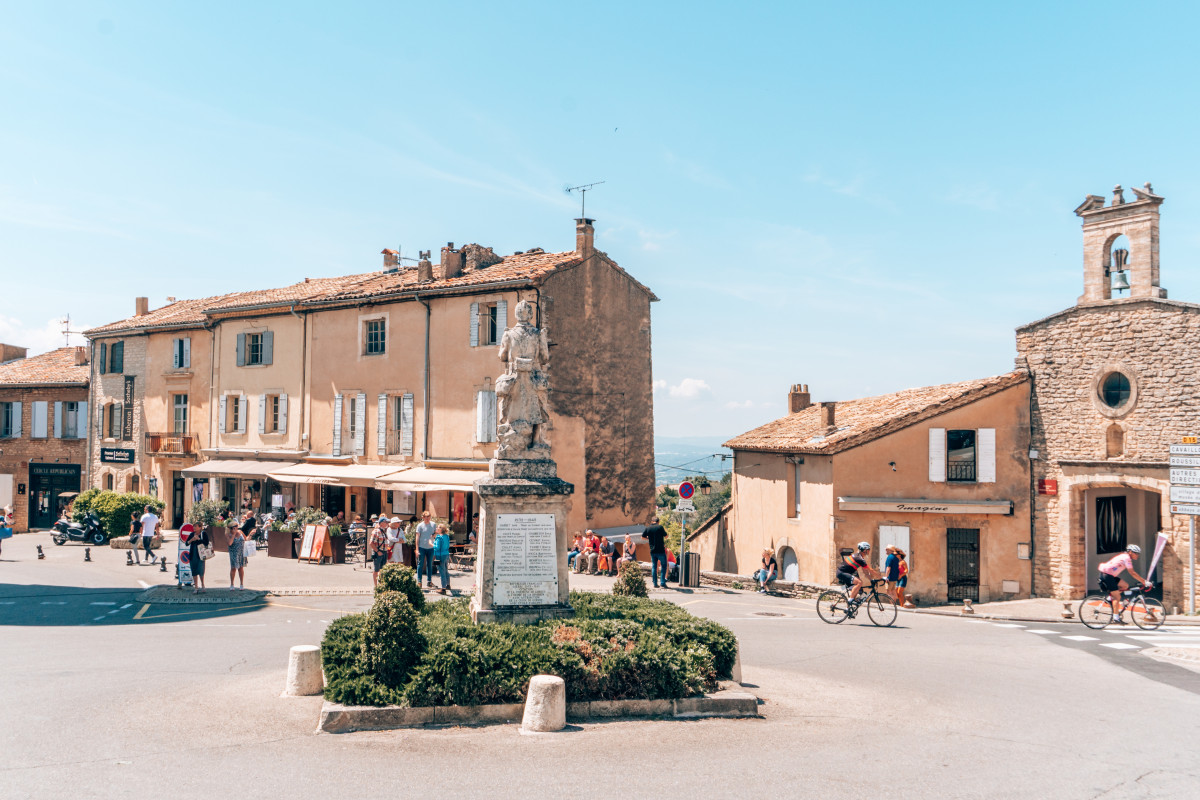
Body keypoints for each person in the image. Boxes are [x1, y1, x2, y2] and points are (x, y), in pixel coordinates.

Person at [1098, 545, 1151, 624]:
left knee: (1125, 585)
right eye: (1136, 553)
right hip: (1107, 576)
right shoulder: (1126, 558)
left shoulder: (1125, 556)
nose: (1137, 555)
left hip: (1109, 575)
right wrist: (1144, 582)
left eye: (1138, 553)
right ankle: (1116, 618)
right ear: (1130, 552)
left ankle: (1109, 599)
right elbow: (1132, 573)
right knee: (1117, 597)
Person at [644, 519, 669, 588]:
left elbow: (642, 537)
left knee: (654, 567)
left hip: (653, 551)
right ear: (658, 522)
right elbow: (666, 536)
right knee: (664, 566)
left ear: (652, 521)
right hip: (660, 550)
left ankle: (655, 584)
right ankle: (662, 582)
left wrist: (649, 539)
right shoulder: (660, 527)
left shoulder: (648, 528)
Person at [416, 510, 437, 589]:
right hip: (422, 547)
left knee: (429, 564)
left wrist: (434, 535)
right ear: (423, 517)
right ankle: (419, 581)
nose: (427, 518)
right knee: (420, 564)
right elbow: (417, 537)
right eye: (426, 517)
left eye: (429, 516)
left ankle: (429, 581)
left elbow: (436, 533)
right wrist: (417, 549)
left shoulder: (433, 524)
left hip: (431, 547)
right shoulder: (420, 525)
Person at [188, 524, 210, 593]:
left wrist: (199, 539)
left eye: (196, 526)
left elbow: (206, 543)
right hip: (192, 555)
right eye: (193, 526)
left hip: (201, 555)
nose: (194, 528)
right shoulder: (192, 534)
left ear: (200, 527)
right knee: (194, 571)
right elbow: (187, 543)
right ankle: (196, 587)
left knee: (201, 571)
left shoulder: (203, 534)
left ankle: (203, 585)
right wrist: (192, 539)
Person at [227, 516, 247, 589]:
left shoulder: (240, 532)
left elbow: (246, 539)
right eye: (234, 527)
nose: (236, 528)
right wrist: (233, 534)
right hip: (234, 553)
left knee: (241, 568)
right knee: (233, 568)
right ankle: (232, 584)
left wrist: (251, 534)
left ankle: (241, 584)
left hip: (241, 553)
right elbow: (229, 543)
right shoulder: (228, 534)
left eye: (236, 526)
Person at [433, 524, 452, 595]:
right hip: (446, 554)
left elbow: (437, 547)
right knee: (446, 570)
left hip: (440, 555)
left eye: (437, 528)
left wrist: (431, 544)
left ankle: (443, 588)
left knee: (442, 571)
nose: (436, 529)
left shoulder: (438, 538)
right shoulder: (446, 536)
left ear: (440, 529)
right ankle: (448, 585)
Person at [369, 522, 389, 587]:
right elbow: (371, 543)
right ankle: (376, 586)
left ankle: (380, 585)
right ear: (382, 523)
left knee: (382, 569)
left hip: (384, 552)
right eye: (386, 522)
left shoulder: (384, 531)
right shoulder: (376, 531)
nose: (387, 523)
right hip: (378, 552)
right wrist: (377, 551)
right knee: (376, 569)